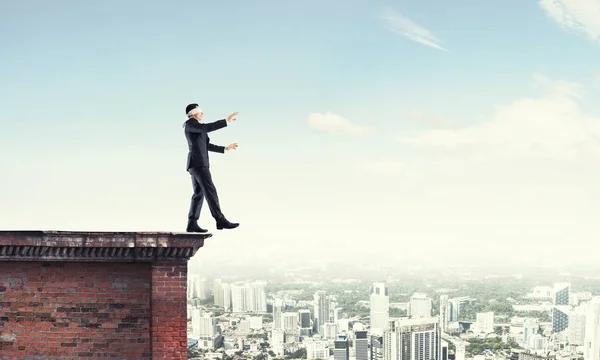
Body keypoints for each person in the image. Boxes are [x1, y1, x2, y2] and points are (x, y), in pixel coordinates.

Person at [183, 103, 239, 232]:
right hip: (198, 164)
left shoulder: (197, 127)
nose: (202, 114)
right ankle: (220, 219)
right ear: (193, 113)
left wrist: (225, 148)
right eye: (200, 111)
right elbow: (205, 128)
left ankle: (192, 223)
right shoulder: (190, 124)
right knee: (210, 191)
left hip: (196, 164)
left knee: (199, 194)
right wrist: (225, 121)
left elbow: (207, 145)